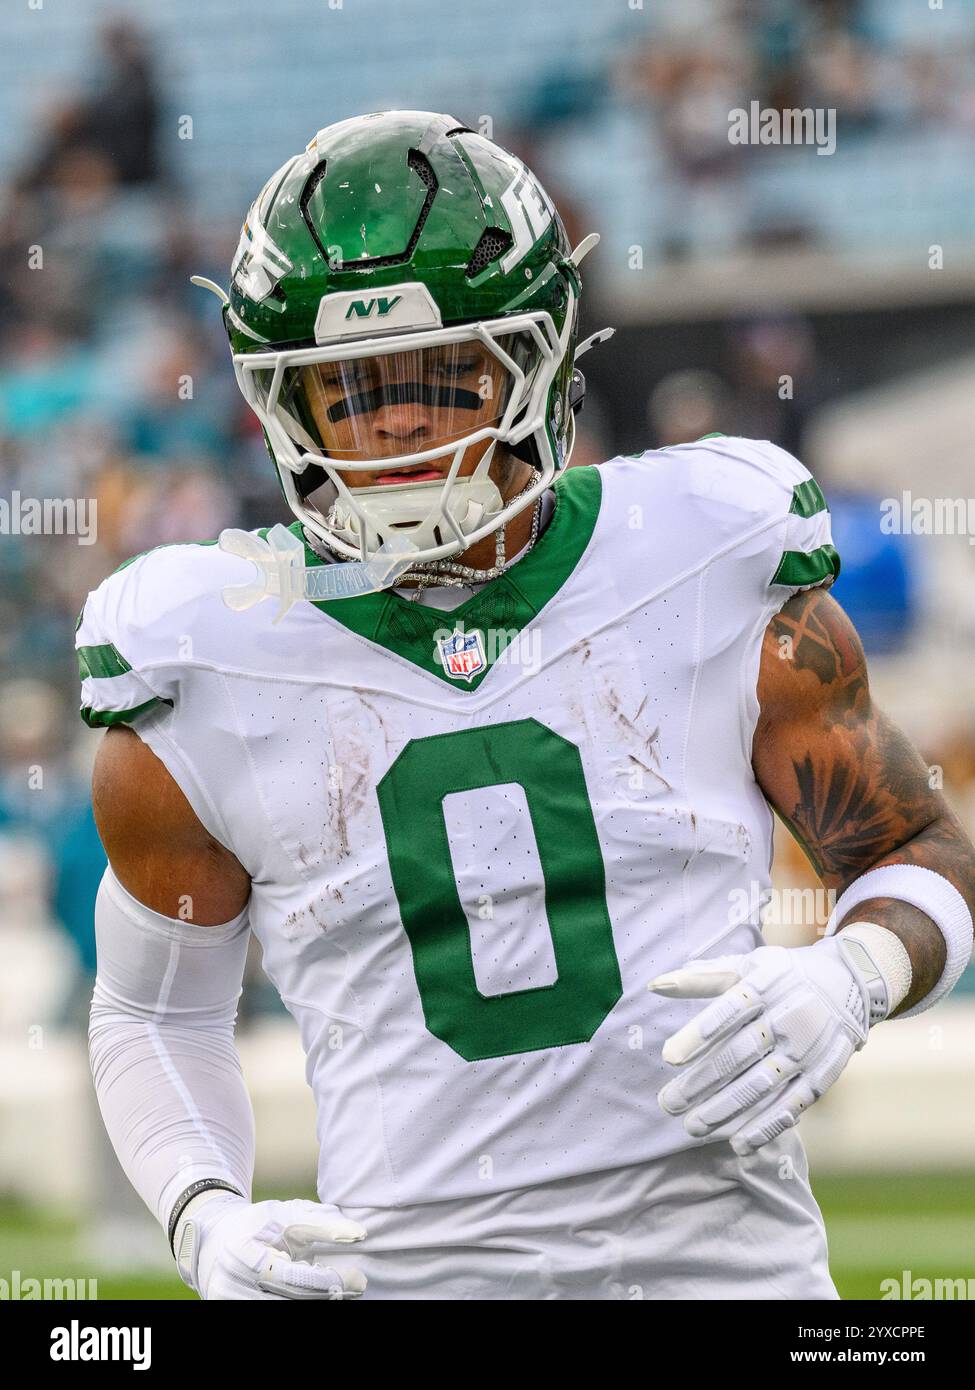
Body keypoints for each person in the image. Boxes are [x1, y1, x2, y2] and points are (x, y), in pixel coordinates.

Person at [78, 110, 975, 1301]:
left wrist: (854, 973)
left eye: (438, 373)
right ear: (280, 407)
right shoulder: (205, 660)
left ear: (539, 360)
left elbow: (922, 848)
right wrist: (199, 1213)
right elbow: (151, 1011)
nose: (393, 420)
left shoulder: (709, 554)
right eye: (345, 390)